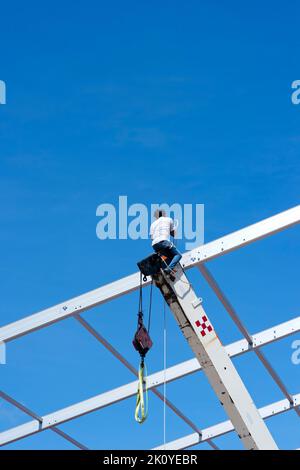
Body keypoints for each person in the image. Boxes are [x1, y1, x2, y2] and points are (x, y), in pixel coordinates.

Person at [150, 209, 182, 274]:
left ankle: (163, 269)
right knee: (178, 255)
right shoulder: (168, 219)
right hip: (163, 241)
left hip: (155, 245)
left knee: (170, 257)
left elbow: (152, 237)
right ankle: (169, 269)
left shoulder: (152, 224)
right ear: (163, 214)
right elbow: (173, 233)